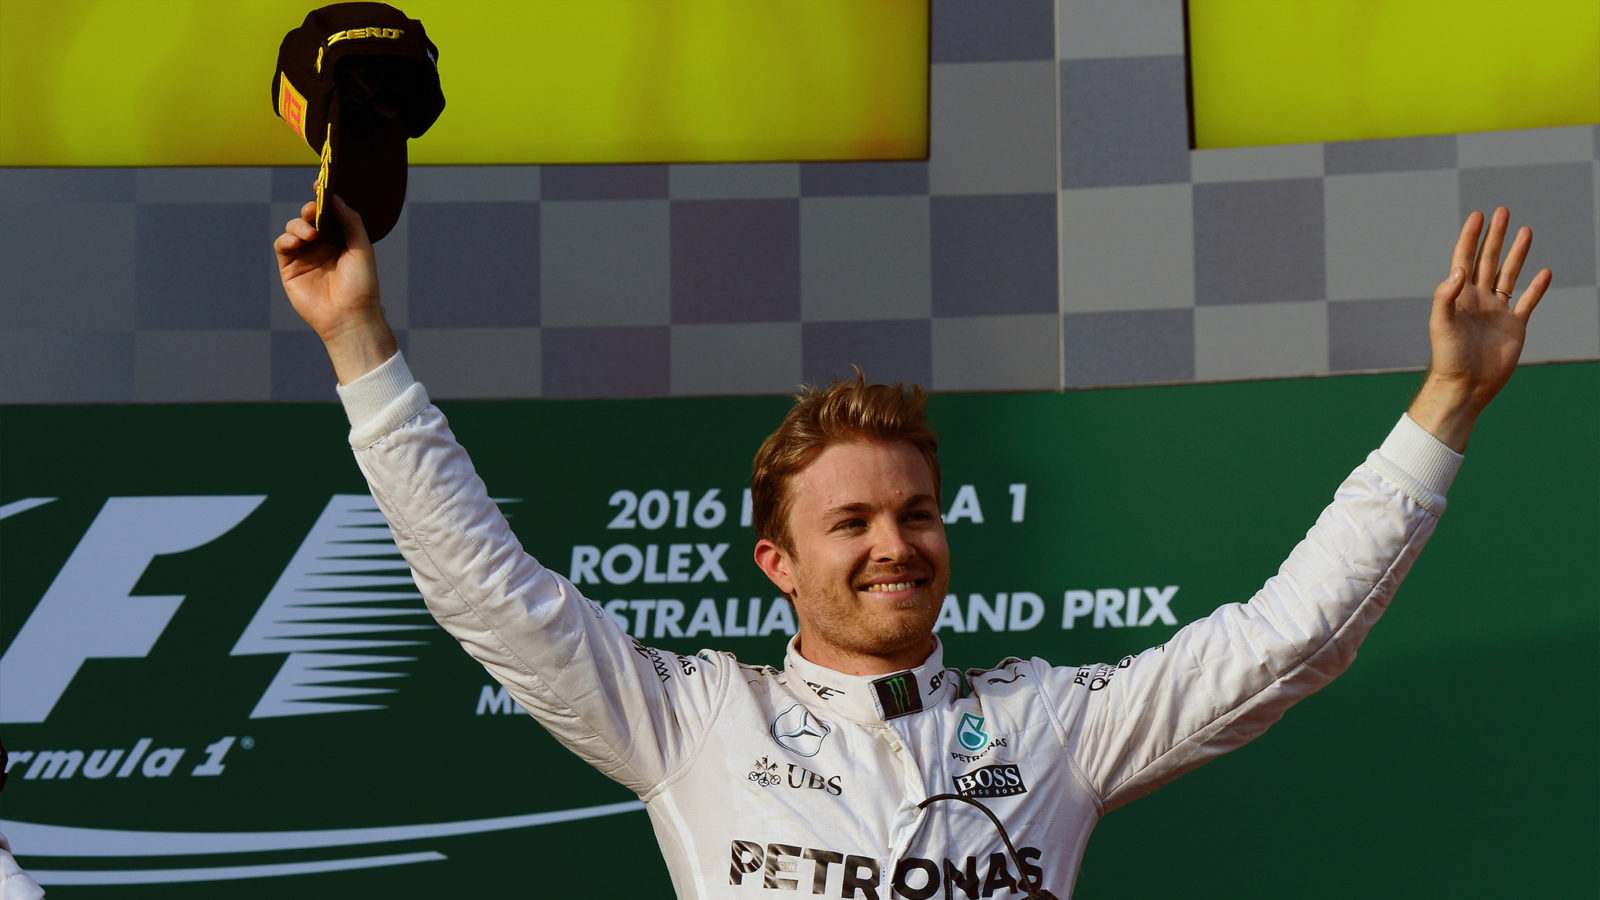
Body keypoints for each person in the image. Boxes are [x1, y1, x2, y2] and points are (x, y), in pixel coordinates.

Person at [275, 196, 1549, 899]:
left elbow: (1294, 635)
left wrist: (1444, 405)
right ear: (776, 562)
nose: (895, 545)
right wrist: (355, 343)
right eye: (852, 523)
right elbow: (484, 589)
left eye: (916, 514)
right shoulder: (695, 721)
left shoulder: (1053, 724)